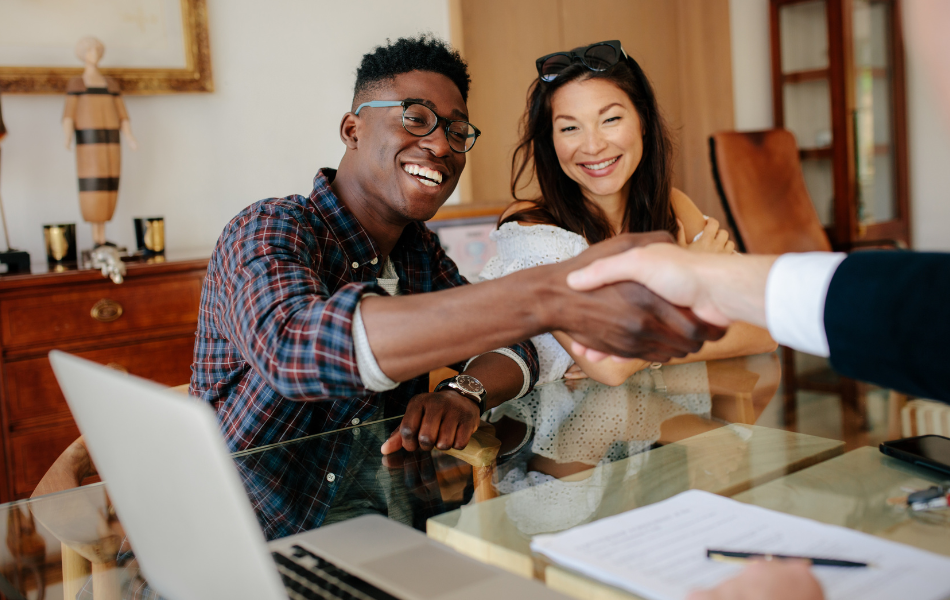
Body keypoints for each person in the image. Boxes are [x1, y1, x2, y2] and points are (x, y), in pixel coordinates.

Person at [189, 35, 725, 532]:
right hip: (243, 536)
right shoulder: (269, 229)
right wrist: (542, 294)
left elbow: (511, 343)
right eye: (416, 118)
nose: (441, 145)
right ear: (353, 130)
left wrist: (465, 390)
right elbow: (295, 349)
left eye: (455, 130)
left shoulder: (420, 254)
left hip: (387, 533)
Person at [479, 40, 775, 387]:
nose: (592, 146)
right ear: (551, 142)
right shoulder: (530, 227)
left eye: (610, 119)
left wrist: (643, 353)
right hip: (542, 432)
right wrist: (684, 283)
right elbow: (609, 368)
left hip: (662, 420)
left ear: (643, 122)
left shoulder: (673, 207)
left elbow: (764, 326)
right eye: (570, 127)